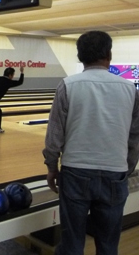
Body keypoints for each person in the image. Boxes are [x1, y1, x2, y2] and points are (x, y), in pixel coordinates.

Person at [43, 31, 139, 255]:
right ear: (109, 54)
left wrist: (51, 167)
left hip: (75, 173)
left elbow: (54, 135)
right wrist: (126, 167)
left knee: (72, 243)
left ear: (80, 56)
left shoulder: (67, 85)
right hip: (115, 174)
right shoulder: (130, 90)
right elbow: (135, 137)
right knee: (107, 244)